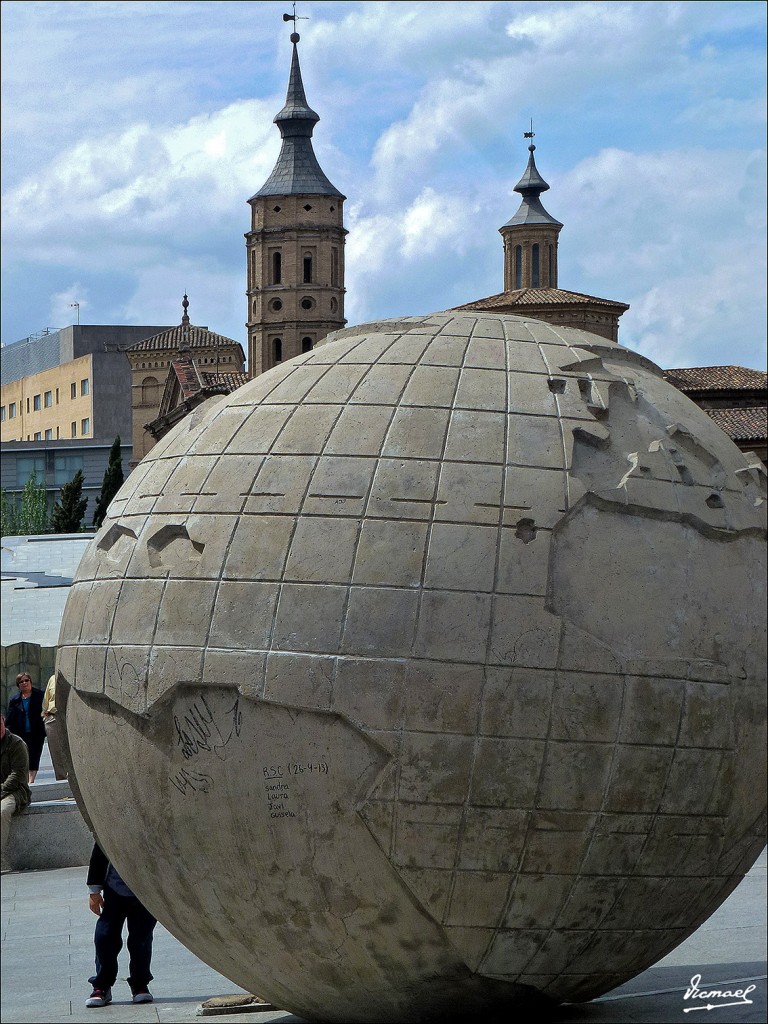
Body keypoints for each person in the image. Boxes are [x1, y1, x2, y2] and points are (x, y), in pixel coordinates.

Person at [85, 841, 157, 1008]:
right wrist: (94, 891)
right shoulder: (111, 824)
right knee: (104, 936)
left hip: (145, 893)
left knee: (141, 940)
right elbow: (100, 852)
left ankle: (139, 984)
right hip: (114, 892)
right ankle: (102, 985)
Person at [1, 713, 31, 872]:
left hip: (16, 791)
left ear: (3, 722)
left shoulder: (16, 743)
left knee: (2, 811)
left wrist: (1, 790)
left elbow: (18, 774)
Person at [5, 672, 46, 783]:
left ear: (31, 682)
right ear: (18, 685)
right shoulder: (15, 700)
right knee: (23, 756)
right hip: (21, 732)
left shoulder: (40, 695)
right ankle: (25, 778)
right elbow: (10, 718)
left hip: (37, 731)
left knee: (35, 755)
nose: (24, 683)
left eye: (26, 680)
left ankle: (31, 781)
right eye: (21, 681)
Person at [42, 674, 68, 780]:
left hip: (69, 716)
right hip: (53, 718)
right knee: (57, 753)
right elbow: (46, 701)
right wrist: (46, 718)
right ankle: (62, 780)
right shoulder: (52, 678)